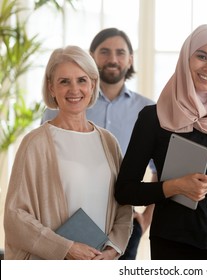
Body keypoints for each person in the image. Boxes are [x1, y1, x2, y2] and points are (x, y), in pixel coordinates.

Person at [115, 24, 207, 260]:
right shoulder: (153, 118)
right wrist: (175, 186)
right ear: (185, 58)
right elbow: (125, 190)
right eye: (201, 56)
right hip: (173, 245)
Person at [3, 46, 133, 260]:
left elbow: (123, 204)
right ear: (51, 88)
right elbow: (15, 216)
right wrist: (66, 248)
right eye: (64, 81)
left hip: (99, 262)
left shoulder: (108, 141)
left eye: (82, 80)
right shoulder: (35, 143)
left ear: (92, 85)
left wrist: (113, 249)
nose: (75, 89)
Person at [42, 28, 156, 260]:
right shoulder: (66, 103)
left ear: (130, 59)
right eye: (104, 52)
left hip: (122, 225)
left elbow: (160, 170)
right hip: (66, 223)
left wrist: (145, 220)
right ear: (91, 56)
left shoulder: (148, 111)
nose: (113, 59)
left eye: (120, 53)